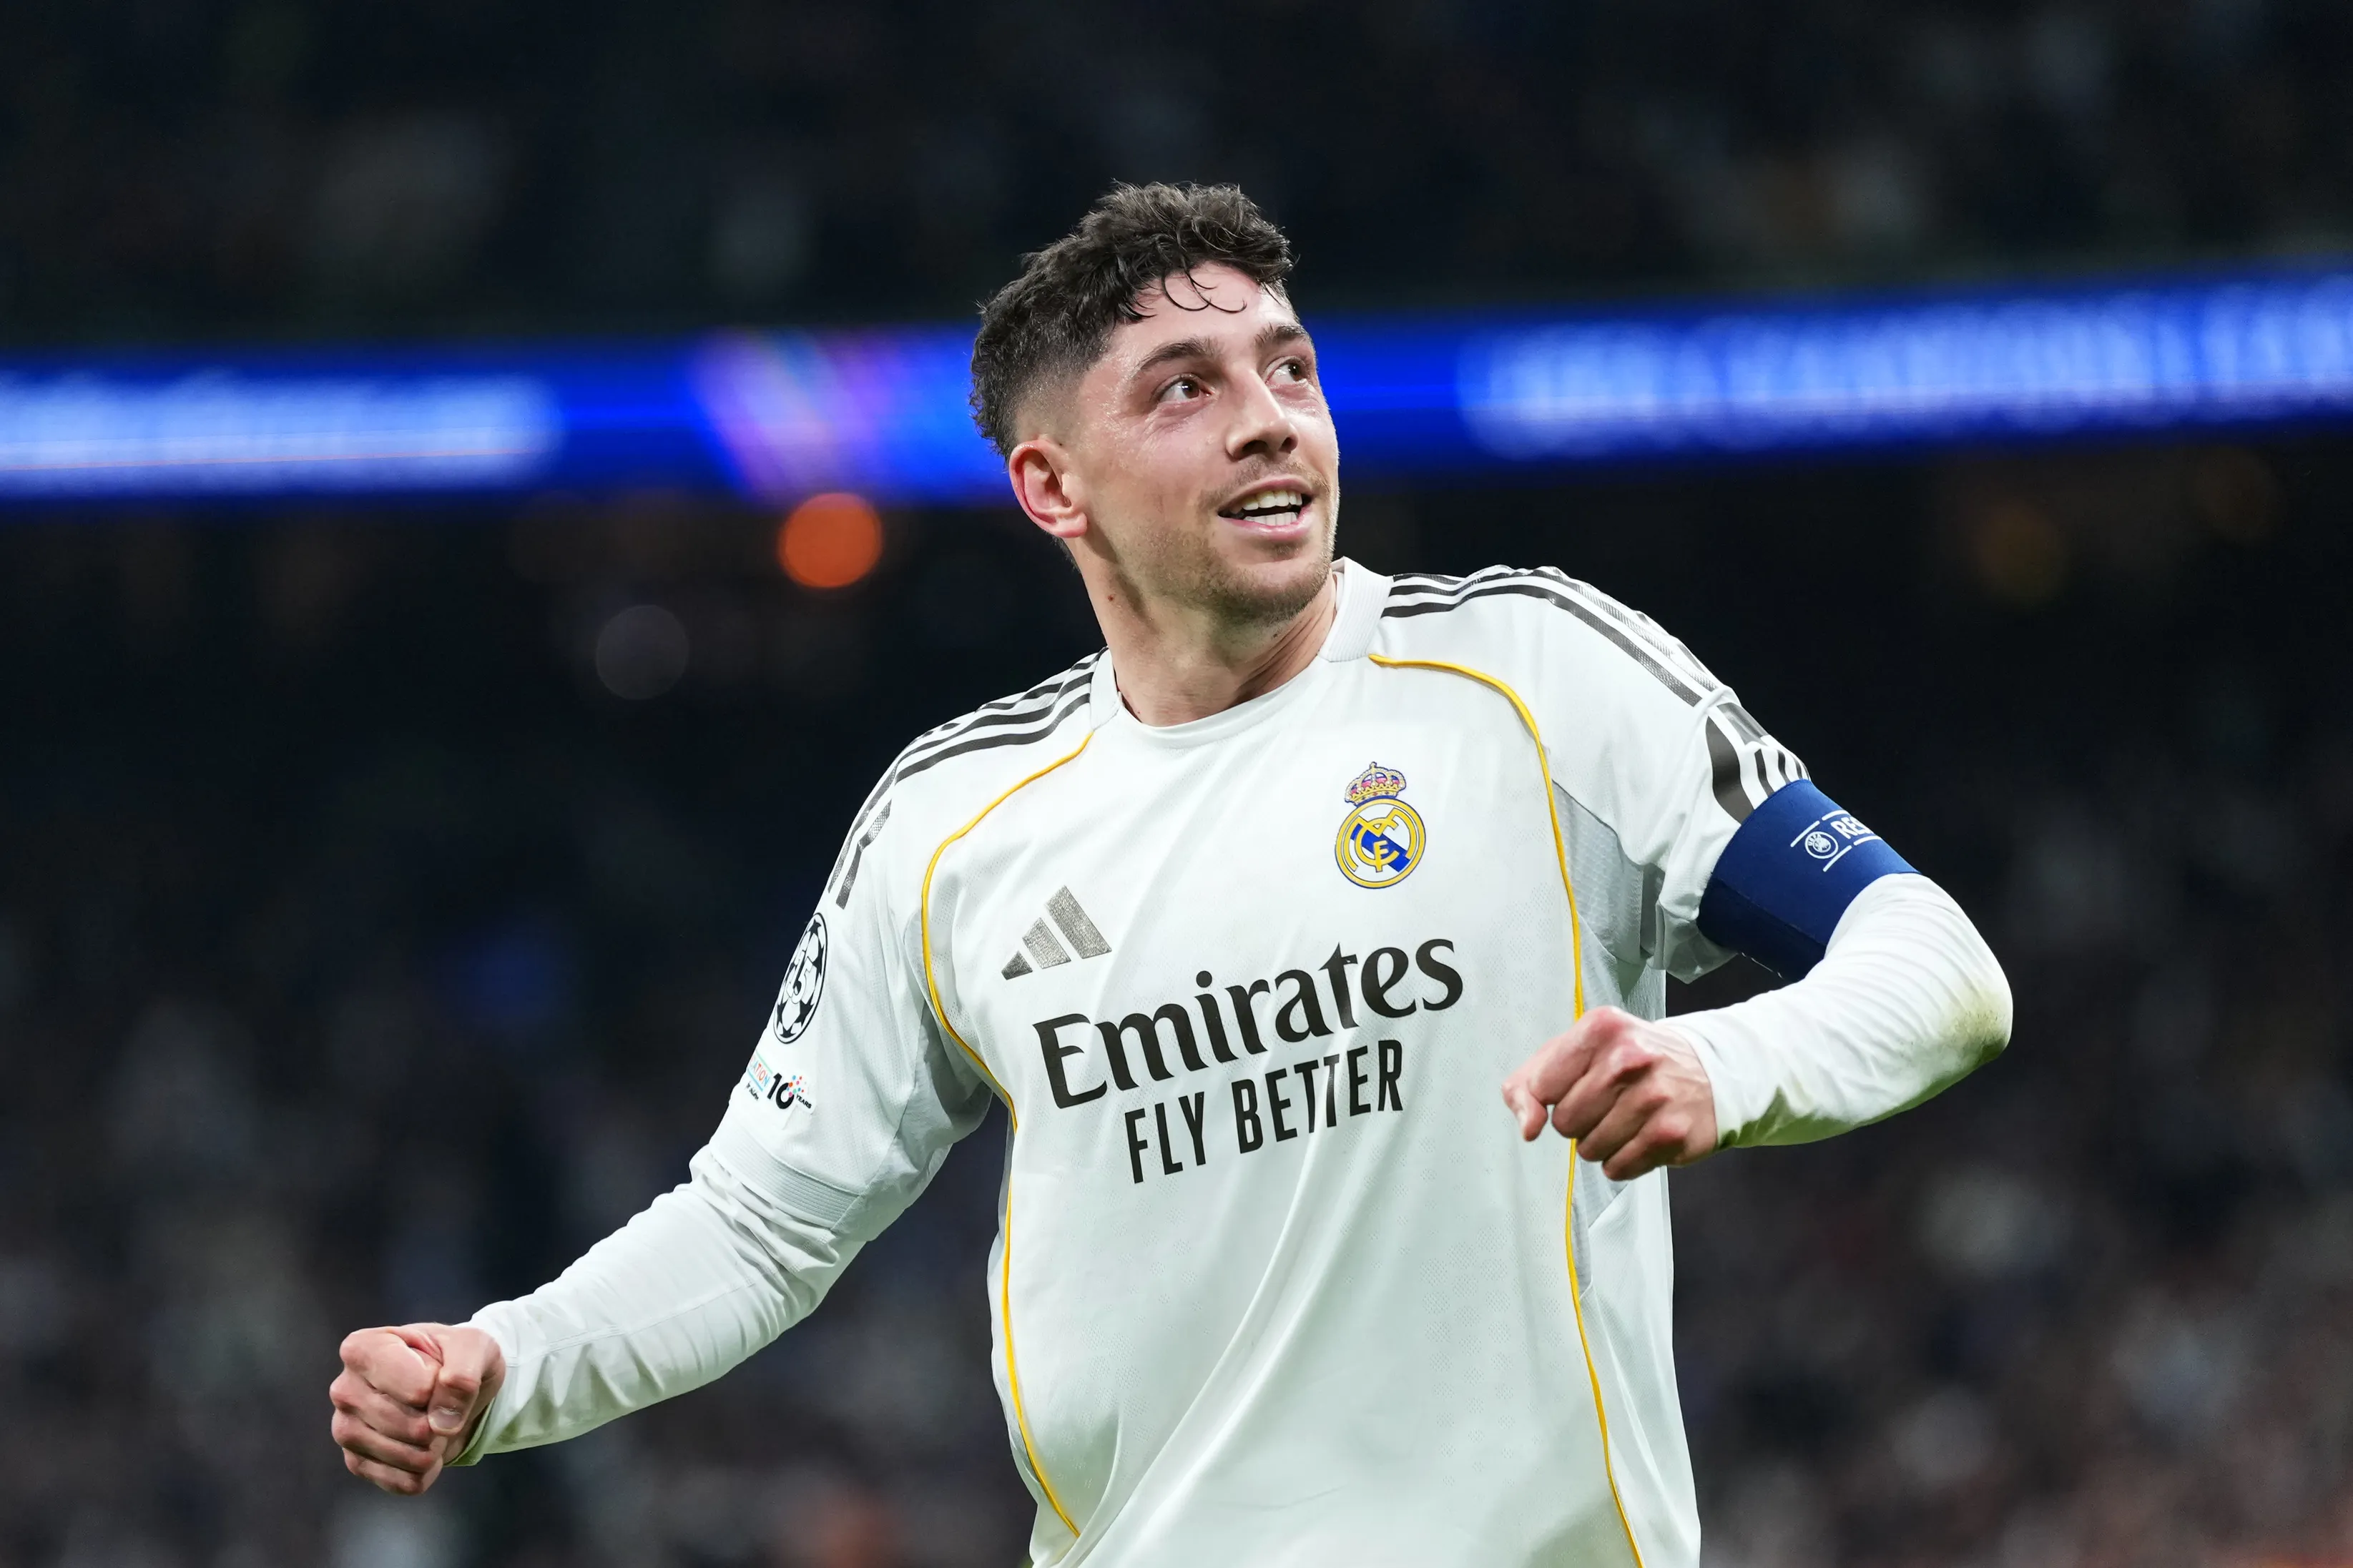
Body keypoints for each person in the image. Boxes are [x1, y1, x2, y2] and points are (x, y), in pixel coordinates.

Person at [328, 183, 2011, 1566]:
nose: (1270, 420)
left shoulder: (1538, 674)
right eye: (1185, 387)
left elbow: (1936, 964)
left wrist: (1727, 1057)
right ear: (1049, 486)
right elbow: (765, 1221)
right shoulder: (954, 826)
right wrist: (509, 1362)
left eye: (1288, 367)